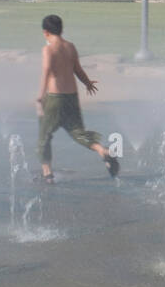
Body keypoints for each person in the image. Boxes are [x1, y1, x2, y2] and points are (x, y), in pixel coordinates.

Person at [34, 14, 119, 183]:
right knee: (78, 132)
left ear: (45, 32)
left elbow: (46, 72)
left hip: (54, 98)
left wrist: (39, 97)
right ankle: (103, 151)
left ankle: (47, 174)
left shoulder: (48, 50)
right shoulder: (70, 47)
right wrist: (87, 83)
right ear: (61, 29)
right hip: (71, 97)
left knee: (44, 135)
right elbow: (78, 69)